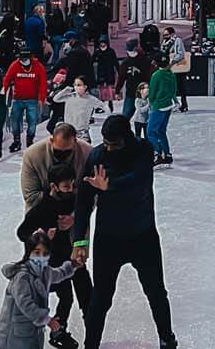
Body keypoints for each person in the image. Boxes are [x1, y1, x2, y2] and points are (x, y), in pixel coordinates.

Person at [70, 114, 178, 349]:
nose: (109, 149)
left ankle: (167, 339)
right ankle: (91, 345)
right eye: (106, 143)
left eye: (114, 144)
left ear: (126, 138)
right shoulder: (97, 157)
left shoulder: (143, 150)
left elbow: (139, 182)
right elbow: (83, 203)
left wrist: (110, 186)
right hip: (108, 240)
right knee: (100, 298)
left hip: (143, 236)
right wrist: (78, 241)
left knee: (156, 292)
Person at [17, 166, 93, 349]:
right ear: (54, 186)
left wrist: (74, 218)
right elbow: (22, 232)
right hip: (44, 264)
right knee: (48, 299)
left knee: (68, 297)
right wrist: (40, 236)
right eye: (66, 186)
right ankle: (48, 332)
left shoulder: (71, 200)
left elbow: (85, 207)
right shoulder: (42, 207)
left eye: (72, 185)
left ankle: (60, 331)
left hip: (64, 258)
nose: (70, 189)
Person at [0, 229, 78, 349]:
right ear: (29, 253)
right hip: (13, 336)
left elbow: (60, 274)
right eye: (37, 252)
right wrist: (47, 319)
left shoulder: (45, 272)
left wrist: (73, 265)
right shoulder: (22, 276)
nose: (41, 257)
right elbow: (25, 304)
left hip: (30, 334)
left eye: (45, 253)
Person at [21, 123, 92, 210]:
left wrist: (74, 216)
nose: (62, 155)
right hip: (40, 213)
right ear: (51, 140)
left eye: (67, 151)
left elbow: (92, 194)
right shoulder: (32, 155)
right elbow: (30, 196)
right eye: (57, 151)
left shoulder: (88, 154)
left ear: (75, 142)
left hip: (75, 214)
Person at [5, 45, 50, 153]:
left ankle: (30, 140)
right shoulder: (15, 65)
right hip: (17, 99)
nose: (23, 60)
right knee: (14, 121)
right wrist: (3, 91)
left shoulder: (38, 67)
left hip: (32, 100)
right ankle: (16, 140)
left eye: (25, 58)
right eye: (21, 58)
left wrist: (41, 98)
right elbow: (6, 79)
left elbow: (43, 84)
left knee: (32, 122)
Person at [146, 55, 177, 166]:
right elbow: (174, 90)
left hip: (158, 106)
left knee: (150, 132)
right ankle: (167, 155)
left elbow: (152, 92)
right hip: (168, 105)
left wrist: (151, 101)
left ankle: (157, 154)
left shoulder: (156, 75)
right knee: (161, 131)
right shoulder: (171, 74)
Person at [52, 78, 104, 143]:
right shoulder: (70, 96)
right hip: (69, 131)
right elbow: (56, 99)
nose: (76, 87)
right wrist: (66, 90)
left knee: (84, 151)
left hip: (83, 133)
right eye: (75, 85)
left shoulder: (91, 99)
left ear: (85, 86)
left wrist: (92, 118)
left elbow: (103, 107)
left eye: (79, 85)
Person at [118, 41, 150, 123]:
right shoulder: (125, 63)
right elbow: (121, 77)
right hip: (131, 93)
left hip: (144, 94)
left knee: (144, 119)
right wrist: (117, 90)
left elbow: (149, 76)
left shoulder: (145, 60)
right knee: (125, 117)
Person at [162, 27, 189, 112]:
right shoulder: (164, 42)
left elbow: (180, 53)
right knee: (169, 86)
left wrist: (173, 62)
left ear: (172, 34)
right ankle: (175, 103)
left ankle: (184, 104)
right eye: (164, 35)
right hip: (168, 67)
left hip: (177, 66)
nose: (164, 36)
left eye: (166, 34)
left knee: (180, 86)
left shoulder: (177, 40)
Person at [92, 39, 119, 111]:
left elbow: (115, 62)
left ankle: (110, 103)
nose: (103, 46)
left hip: (109, 72)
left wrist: (119, 71)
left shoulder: (111, 51)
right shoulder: (97, 52)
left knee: (109, 88)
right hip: (101, 72)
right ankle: (100, 105)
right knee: (101, 89)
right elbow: (92, 61)